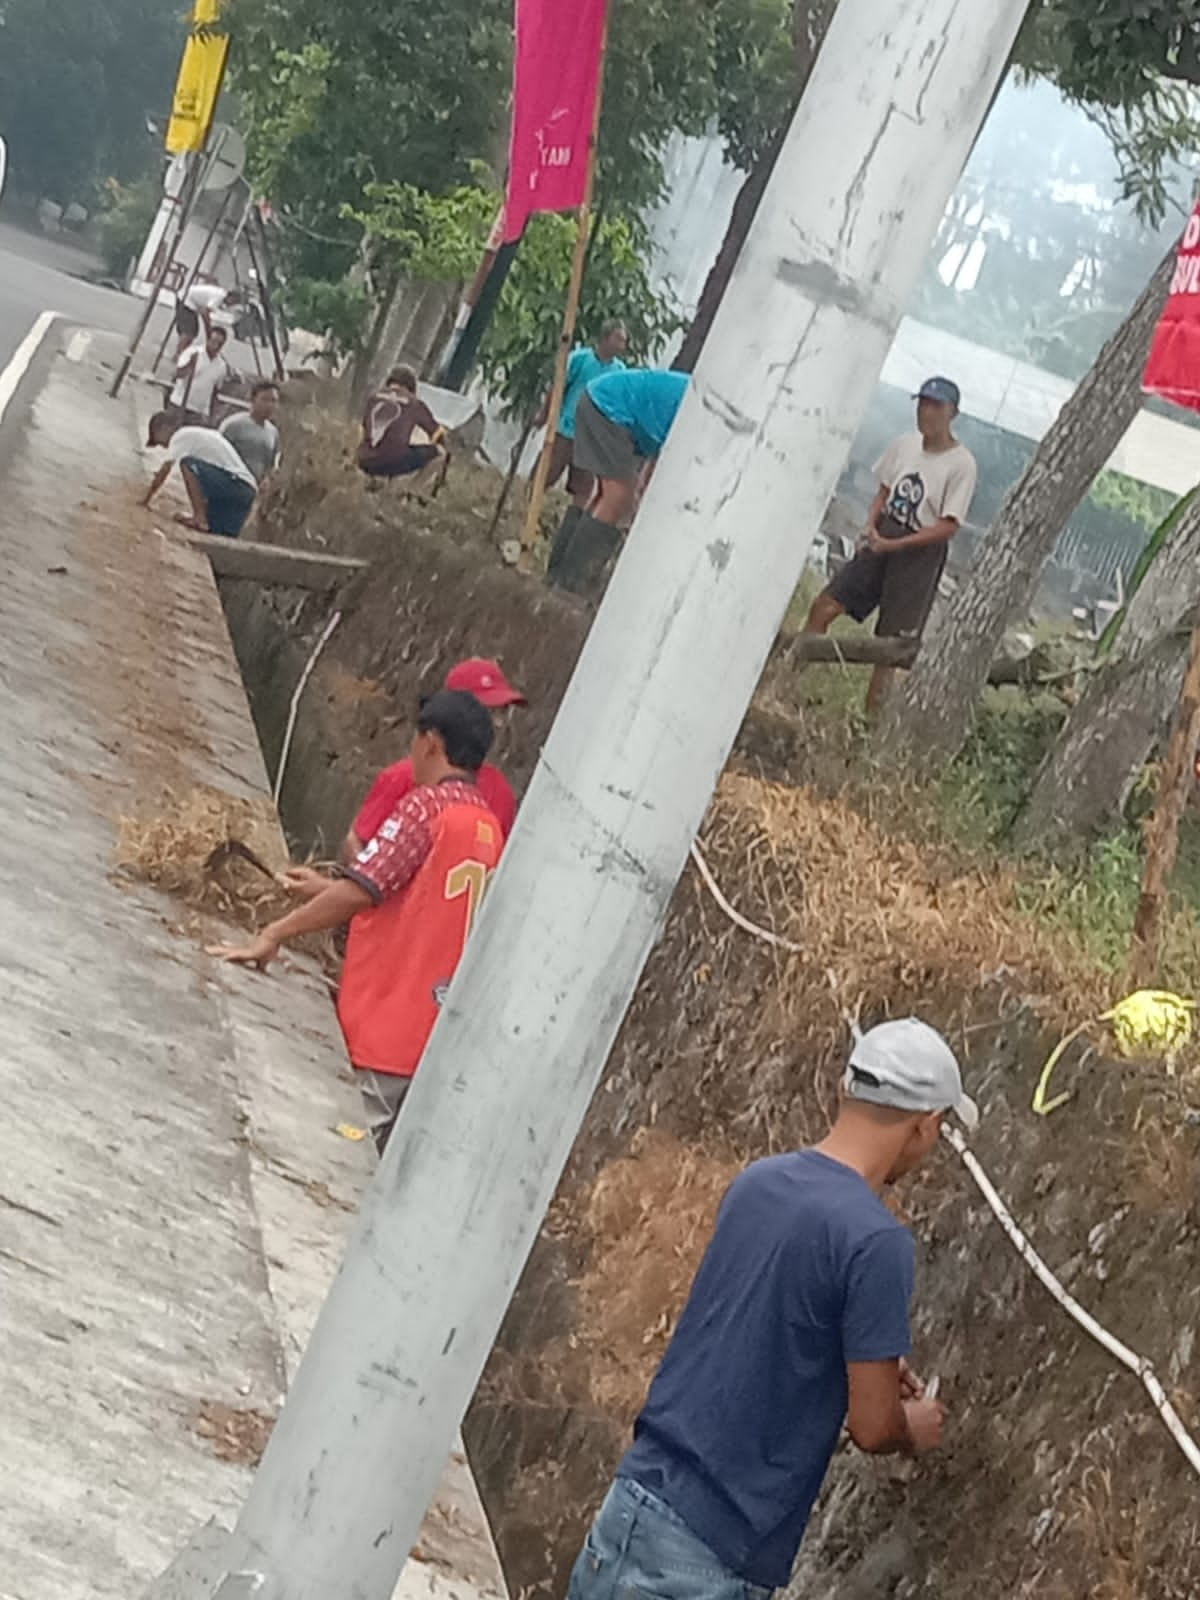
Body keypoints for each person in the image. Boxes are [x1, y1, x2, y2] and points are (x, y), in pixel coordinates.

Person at [568, 1018, 978, 1600]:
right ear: (926, 1126)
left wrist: (857, 1367)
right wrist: (910, 1426)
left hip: (632, 1506)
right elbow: (870, 1426)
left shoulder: (759, 1184)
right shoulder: (877, 1242)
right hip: (712, 1554)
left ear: (844, 1091)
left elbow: (754, 1333)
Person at [211, 690, 503, 1152]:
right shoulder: (488, 827)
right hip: (436, 1035)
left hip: (390, 1025)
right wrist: (323, 890)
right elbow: (414, 905)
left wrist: (274, 933)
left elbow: (361, 890)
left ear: (430, 742)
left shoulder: (426, 809)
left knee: (335, 1150)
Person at [805, 377, 978, 713]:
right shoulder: (905, 444)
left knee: (891, 647)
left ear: (952, 413)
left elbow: (947, 525)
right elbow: (884, 490)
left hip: (919, 553)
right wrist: (871, 526)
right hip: (884, 532)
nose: (926, 412)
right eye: (922, 403)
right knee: (826, 604)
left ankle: (869, 723)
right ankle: (792, 676)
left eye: (935, 406)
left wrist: (896, 546)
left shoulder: (962, 465)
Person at [343, 658, 525, 860]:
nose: (497, 724)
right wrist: (368, 884)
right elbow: (357, 840)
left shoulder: (500, 792)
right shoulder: (403, 775)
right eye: (487, 713)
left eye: (501, 712)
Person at [574, 366, 689, 527]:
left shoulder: (692, 400)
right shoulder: (698, 411)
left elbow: (655, 462)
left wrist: (640, 494)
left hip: (600, 397)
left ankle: (568, 551)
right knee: (618, 497)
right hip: (610, 406)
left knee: (605, 495)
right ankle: (584, 552)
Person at [542, 321, 628, 509]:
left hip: (591, 438)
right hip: (566, 429)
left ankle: (571, 525)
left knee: (583, 487)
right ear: (606, 338)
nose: (623, 344)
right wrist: (545, 415)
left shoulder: (619, 372)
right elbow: (558, 387)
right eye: (619, 339)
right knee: (546, 474)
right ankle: (524, 509)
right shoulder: (580, 359)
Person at [142, 410, 258, 537]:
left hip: (235, 484)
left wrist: (146, 499)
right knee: (218, 532)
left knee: (187, 464)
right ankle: (203, 519)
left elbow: (165, 469)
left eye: (159, 441)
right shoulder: (198, 435)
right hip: (246, 492)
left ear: (163, 428)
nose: (163, 446)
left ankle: (199, 517)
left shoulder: (180, 436)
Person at [357, 366, 447, 490]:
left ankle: (374, 482)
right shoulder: (415, 403)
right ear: (411, 386)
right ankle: (409, 492)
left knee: (386, 447)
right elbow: (438, 434)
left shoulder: (374, 398)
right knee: (439, 453)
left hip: (365, 461)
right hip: (394, 460)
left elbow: (363, 431)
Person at [220, 380, 281, 486]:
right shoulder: (234, 425)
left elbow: (270, 466)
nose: (270, 405)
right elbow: (219, 453)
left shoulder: (273, 432)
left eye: (274, 401)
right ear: (253, 400)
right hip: (231, 483)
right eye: (265, 400)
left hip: (255, 487)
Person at [170, 324, 231, 424]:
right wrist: (190, 364)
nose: (215, 346)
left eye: (219, 344)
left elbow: (215, 390)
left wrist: (211, 415)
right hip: (179, 404)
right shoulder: (192, 352)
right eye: (214, 341)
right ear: (208, 339)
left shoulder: (221, 366)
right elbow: (177, 374)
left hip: (198, 412)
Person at [174, 280, 241, 353]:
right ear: (230, 296)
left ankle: (181, 353)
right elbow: (205, 312)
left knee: (193, 333)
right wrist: (208, 330)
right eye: (234, 302)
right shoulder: (219, 296)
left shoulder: (221, 297)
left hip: (191, 303)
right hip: (186, 300)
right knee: (189, 332)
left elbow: (207, 311)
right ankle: (178, 355)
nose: (231, 305)